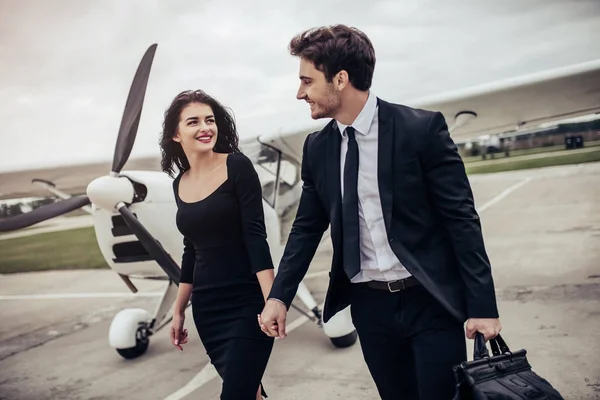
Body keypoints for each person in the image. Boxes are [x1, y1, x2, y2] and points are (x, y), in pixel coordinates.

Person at [258, 25, 502, 399]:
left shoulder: (420, 130)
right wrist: (279, 296)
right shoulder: (317, 148)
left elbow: (461, 219)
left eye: (307, 81)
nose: (300, 92)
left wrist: (482, 306)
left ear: (340, 79)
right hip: (369, 307)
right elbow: (307, 229)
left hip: (430, 301)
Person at [161, 89, 275, 400]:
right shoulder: (178, 183)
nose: (205, 128)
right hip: (208, 310)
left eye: (210, 120)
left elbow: (255, 236)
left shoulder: (237, 167)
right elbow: (191, 250)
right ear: (176, 133)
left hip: (247, 302)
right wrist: (179, 309)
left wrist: (273, 300)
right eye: (193, 122)